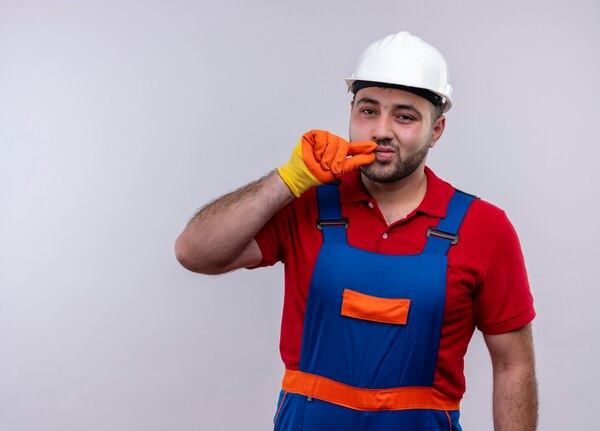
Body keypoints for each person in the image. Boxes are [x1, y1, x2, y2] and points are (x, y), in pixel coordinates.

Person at [175, 31, 537, 431]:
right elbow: (194, 252)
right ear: (350, 113)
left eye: (404, 116)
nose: (382, 130)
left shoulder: (484, 228)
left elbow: (513, 365)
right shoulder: (307, 204)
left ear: (436, 130)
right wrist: (287, 181)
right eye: (368, 111)